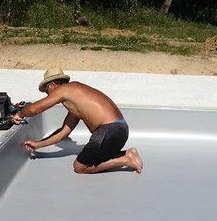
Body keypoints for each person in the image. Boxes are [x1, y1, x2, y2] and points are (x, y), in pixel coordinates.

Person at [12, 67, 143, 174]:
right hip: (120, 130)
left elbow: (34, 109)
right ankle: (128, 153)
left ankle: (126, 160)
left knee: (80, 167)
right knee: (97, 159)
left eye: (47, 92)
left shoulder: (63, 90)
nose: (48, 95)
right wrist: (38, 144)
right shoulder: (75, 98)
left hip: (108, 131)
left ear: (52, 85)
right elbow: (64, 132)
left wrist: (19, 114)